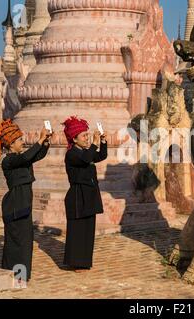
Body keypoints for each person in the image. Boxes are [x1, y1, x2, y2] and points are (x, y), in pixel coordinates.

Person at [0, 119, 51, 283]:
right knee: (16, 242)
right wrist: (39, 140)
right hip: (15, 205)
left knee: (25, 242)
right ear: (11, 144)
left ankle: (20, 275)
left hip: (24, 205)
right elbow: (27, 156)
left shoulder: (21, 158)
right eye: (19, 139)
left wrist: (46, 143)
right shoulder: (8, 160)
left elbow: (35, 155)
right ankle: (12, 274)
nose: (23, 141)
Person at [62, 116, 107, 272]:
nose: (87, 138)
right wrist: (94, 143)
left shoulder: (84, 152)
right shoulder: (72, 154)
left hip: (89, 195)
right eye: (84, 135)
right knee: (78, 231)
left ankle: (84, 261)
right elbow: (87, 158)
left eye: (87, 135)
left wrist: (103, 142)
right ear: (74, 139)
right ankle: (75, 262)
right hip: (77, 196)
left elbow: (101, 156)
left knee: (88, 230)